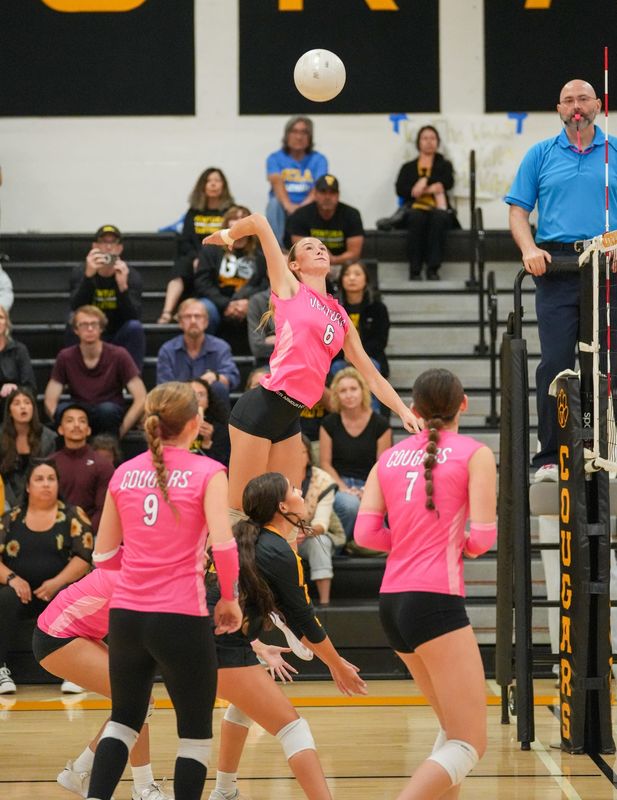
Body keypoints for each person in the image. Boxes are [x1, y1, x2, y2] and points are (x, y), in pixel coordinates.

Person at [203, 215, 419, 521]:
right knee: (240, 510)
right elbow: (260, 223)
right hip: (260, 408)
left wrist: (403, 411)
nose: (319, 249)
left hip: (291, 417)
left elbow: (371, 375)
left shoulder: (340, 315)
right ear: (294, 265)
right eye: (308, 246)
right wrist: (228, 235)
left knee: (290, 514)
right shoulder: (290, 288)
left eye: (322, 247)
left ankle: (283, 568)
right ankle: (210, 567)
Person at [86, 381, 242, 800]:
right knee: (193, 732)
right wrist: (229, 598)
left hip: (126, 617)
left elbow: (102, 557)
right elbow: (225, 546)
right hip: (181, 616)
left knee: (123, 720)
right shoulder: (209, 471)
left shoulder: (123, 472)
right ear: (195, 423)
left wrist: (139, 578)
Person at [354, 368, 496, 799]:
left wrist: (410, 540)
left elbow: (363, 535)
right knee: (470, 743)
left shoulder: (388, 459)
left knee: (451, 731)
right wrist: (457, 545)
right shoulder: (475, 454)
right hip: (435, 602)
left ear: (412, 410)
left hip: (393, 603)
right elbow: (483, 538)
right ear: (464, 404)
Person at [208, 471, 367, 800]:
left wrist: (257, 645)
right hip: (217, 646)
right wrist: (337, 665)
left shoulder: (249, 539)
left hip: (202, 639)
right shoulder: (278, 552)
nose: (301, 492)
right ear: (282, 506)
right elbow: (304, 622)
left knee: (242, 707)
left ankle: (224, 792)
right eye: (295, 489)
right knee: (294, 728)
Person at [505, 78, 617, 482]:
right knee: (554, 364)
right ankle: (549, 457)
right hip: (557, 266)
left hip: (607, 263)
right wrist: (529, 249)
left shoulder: (614, 150)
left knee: (608, 364)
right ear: (558, 109)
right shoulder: (540, 154)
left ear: (598, 104)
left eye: (583, 98)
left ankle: (608, 452)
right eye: (568, 100)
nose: (576, 106)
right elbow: (518, 210)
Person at [34, 569, 170, 800]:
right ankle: (143, 788)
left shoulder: (147, 568)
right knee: (137, 702)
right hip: (57, 637)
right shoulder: (135, 577)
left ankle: (78, 773)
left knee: (139, 703)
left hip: (78, 635)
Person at [0, 459, 92, 695]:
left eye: (51, 479)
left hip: (58, 591)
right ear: (28, 486)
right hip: (21, 595)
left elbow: (84, 557)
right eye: (39, 479)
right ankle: (1, 670)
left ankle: (74, 672)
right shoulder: (11, 519)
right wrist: (13, 579)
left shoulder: (73, 515)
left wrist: (56, 583)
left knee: (70, 595)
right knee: (6, 597)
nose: (46, 484)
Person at [44, 305, 147, 439]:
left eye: (94, 324)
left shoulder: (119, 355)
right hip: (80, 413)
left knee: (107, 411)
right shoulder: (65, 357)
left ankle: (109, 449)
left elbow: (141, 396)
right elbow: (50, 400)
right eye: (84, 325)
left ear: (101, 328)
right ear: (75, 330)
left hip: (109, 415)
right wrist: (64, 425)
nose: (90, 329)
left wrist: (122, 430)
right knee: (64, 410)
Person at [319, 367, 392, 544]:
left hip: (371, 484)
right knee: (350, 505)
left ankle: (363, 545)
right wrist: (343, 488)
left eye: (353, 389)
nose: (349, 395)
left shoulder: (380, 425)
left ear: (363, 391)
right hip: (339, 483)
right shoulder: (329, 423)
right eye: (343, 391)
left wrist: (367, 490)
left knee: (372, 506)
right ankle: (340, 547)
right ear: (336, 395)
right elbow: (325, 464)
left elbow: (382, 465)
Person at [158, 168, 234, 324]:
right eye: (209, 181)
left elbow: (232, 237)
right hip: (196, 255)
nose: (213, 184)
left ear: (223, 185)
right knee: (181, 267)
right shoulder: (193, 212)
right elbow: (186, 240)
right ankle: (167, 312)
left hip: (221, 256)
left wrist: (207, 258)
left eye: (217, 180)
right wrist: (197, 257)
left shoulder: (229, 212)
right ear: (202, 186)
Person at [69, 225, 146, 370]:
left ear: (119, 248)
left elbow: (134, 315)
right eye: (104, 242)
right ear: (95, 246)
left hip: (118, 332)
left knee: (135, 327)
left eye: (113, 243)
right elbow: (76, 308)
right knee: (71, 322)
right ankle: (74, 374)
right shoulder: (80, 272)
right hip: (91, 330)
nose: (108, 247)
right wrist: (88, 278)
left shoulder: (131, 275)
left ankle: (133, 379)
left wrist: (122, 287)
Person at [194, 205, 268, 335]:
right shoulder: (211, 248)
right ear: (227, 222)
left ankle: (263, 351)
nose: (239, 221)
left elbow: (265, 283)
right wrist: (226, 304)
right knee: (205, 309)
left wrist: (249, 302)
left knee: (268, 308)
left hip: (249, 300)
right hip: (216, 300)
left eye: (243, 217)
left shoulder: (261, 251)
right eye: (234, 217)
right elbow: (202, 282)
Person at [395, 125, 456, 281]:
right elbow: (401, 189)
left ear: (437, 142)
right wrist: (429, 187)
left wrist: (424, 183)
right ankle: (415, 270)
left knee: (439, 219)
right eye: (425, 138)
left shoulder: (444, 164)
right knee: (416, 218)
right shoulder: (408, 167)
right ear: (418, 142)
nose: (429, 142)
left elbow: (447, 182)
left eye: (432, 138)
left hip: (438, 209)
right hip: (415, 208)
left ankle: (433, 269)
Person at [155, 298, 240, 408]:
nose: (193, 321)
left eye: (198, 316)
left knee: (219, 387)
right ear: (180, 323)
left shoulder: (221, 347)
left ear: (206, 322)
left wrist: (216, 377)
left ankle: (220, 426)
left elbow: (233, 378)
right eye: (188, 316)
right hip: (178, 408)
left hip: (212, 409)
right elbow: (163, 387)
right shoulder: (167, 350)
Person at [286, 174, 364, 279]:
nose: (327, 197)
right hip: (310, 264)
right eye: (323, 192)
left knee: (353, 272)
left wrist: (333, 260)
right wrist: (320, 261)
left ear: (338, 195)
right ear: (315, 194)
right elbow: (300, 250)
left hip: (341, 265)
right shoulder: (301, 215)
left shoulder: (352, 214)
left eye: (332, 193)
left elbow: (354, 253)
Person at [265, 117, 328, 246]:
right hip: (283, 206)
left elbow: (319, 186)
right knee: (273, 204)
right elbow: (276, 181)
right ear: (287, 135)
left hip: (309, 206)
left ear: (310, 137)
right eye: (294, 131)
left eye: (304, 132)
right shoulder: (275, 158)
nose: (299, 137)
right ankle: (278, 250)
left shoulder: (319, 159)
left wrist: (300, 208)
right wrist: (288, 205)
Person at [297, 435, 345, 606]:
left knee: (320, 543)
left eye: (301, 452)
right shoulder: (275, 477)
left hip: (309, 535)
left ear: (309, 454)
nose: (296, 456)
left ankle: (325, 604)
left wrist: (305, 532)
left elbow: (322, 523)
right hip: (279, 534)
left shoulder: (323, 480)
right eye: (291, 452)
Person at [52, 403, 114, 533]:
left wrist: (85, 533)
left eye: (82, 421)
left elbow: (104, 509)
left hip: (92, 534)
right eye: (70, 420)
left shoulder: (103, 465)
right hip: (55, 531)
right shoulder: (50, 463)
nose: (76, 425)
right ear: (60, 429)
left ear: (88, 429)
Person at [332, 260, 390, 382]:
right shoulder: (332, 308)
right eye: (347, 274)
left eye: (357, 274)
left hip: (370, 357)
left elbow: (380, 341)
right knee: (337, 367)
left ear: (366, 279)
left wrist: (357, 354)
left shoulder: (378, 308)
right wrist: (346, 354)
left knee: (371, 366)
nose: (352, 278)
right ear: (341, 279)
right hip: (341, 358)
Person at [0, 387, 57, 507]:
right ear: (9, 411)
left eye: (27, 402)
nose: (23, 407)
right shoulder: (1, 436)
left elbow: (47, 473)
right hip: (4, 496)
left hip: (38, 494)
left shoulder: (48, 438)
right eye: (17, 403)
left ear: (33, 408)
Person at [188, 378, 231, 467]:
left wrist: (207, 443)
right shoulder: (174, 426)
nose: (196, 399)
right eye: (192, 394)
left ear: (208, 402)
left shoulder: (219, 429)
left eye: (201, 394)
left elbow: (220, 466)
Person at [0, 305, 36, 400]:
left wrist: (15, 389)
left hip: (14, 402)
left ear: (7, 323)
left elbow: (30, 387)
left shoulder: (19, 350)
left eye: (1, 317)